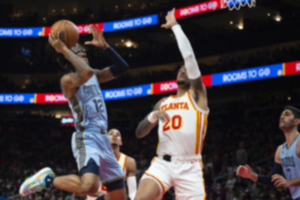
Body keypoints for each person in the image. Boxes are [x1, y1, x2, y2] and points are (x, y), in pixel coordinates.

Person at [19, 24, 129, 200]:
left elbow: (123, 67)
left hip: (103, 139)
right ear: (70, 59)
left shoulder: (95, 75)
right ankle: (47, 180)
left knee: (118, 197)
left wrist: (105, 47)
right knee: (90, 186)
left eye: (84, 53)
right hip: (87, 137)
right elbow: (84, 73)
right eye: (78, 54)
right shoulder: (68, 80)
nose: (83, 55)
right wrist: (63, 49)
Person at [134, 8, 209, 200]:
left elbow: (190, 59)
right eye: (180, 70)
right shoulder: (163, 102)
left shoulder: (197, 97)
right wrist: (152, 116)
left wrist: (175, 27)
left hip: (190, 166)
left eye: (186, 70)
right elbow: (139, 133)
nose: (183, 71)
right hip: (162, 164)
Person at [236, 106, 300, 200]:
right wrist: (251, 175)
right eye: (281, 115)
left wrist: (288, 183)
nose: (282, 117)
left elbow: (287, 182)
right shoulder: (280, 150)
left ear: (296, 121)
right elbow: (272, 181)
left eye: (287, 114)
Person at [87, 128, 137, 200]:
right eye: (111, 134)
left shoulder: (129, 162)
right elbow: (90, 190)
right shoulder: (95, 159)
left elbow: (133, 193)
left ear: (121, 142)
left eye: (118, 135)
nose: (114, 135)